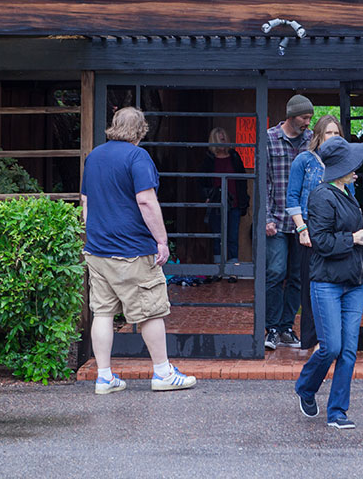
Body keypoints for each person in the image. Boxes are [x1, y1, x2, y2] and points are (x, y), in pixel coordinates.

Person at [81, 106, 198, 394]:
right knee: (151, 311)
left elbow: (85, 200)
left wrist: (96, 233)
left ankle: (104, 377)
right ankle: (162, 373)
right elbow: (146, 201)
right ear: (141, 130)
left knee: (103, 313)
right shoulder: (137, 156)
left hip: (97, 250)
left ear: (114, 126)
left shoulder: (94, 156)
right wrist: (162, 240)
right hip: (132, 248)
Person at [294, 135, 363, 429]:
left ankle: (337, 412)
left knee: (348, 350)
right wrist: (354, 238)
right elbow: (319, 241)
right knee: (331, 347)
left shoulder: (347, 192)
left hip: (354, 281)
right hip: (328, 282)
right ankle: (306, 387)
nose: (357, 168)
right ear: (339, 167)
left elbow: (344, 234)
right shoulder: (321, 195)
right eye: (351, 164)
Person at [285, 113, 343, 349]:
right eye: (329, 132)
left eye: (336, 133)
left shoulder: (342, 162)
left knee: (333, 284)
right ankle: (311, 339)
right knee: (310, 285)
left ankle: (330, 337)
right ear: (319, 135)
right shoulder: (304, 160)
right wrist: (301, 228)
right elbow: (292, 197)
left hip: (336, 231)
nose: (333, 137)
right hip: (310, 228)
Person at [264, 94, 313, 350]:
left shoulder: (310, 140)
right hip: (277, 219)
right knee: (275, 273)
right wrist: (266, 217)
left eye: (309, 118)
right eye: (304, 117)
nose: (308, 122)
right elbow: (263, 181)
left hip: (303, 221)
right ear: (291, 116)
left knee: (296, 276)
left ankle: (285, 327)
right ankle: (271, 327)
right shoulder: (270, 138)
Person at [200, 127, 250, 276]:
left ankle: (232, 269)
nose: (223, 141)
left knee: (233, 236)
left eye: (224, 138)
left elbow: (242, 180)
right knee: (217, 236)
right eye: (220, 139)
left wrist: (244, 200)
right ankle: (218, 269)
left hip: (234, 202)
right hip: (216, 203)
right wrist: (207, 196)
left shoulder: (234, 156)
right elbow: (201, 181)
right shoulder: (209, 159)